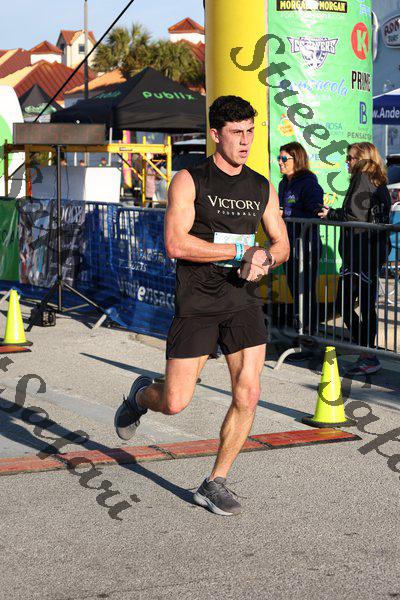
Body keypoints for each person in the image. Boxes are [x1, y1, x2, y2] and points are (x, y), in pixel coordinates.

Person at [114, 95, 290, 516]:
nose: (245, 141)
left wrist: (265, 259)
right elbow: (176, 243)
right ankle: (141, 396)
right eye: (236, 133)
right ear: (215, 134)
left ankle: (215, 482)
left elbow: (281, 242)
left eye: (250, 132)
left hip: (242, 301)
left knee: (249, 392)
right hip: (197, 302)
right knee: (174, 401)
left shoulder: (261, 186)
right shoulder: (189, 180)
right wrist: (239, 250)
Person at [319, 142, 391, 375]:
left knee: (345, 303)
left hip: (360, 252)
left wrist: (331, 214)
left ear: (362, 159)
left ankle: (368, 354)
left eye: (350, 158)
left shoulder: (362, 178)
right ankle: (367, 354)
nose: (347, 162)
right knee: (365, 305)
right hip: (371, 251)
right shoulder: (379, 181)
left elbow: (354, 215)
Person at [277, 142, 324, 349]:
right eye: (278, 158)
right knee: (296, 291)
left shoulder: (309, 183)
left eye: (284, 159)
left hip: (307, 246)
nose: (280, 162)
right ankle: (301, 335)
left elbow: (316, 211)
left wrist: (287, 213)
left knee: (306, 292)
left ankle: (309, 338)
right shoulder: (283, 183)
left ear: (296, 160)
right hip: (289, 245)